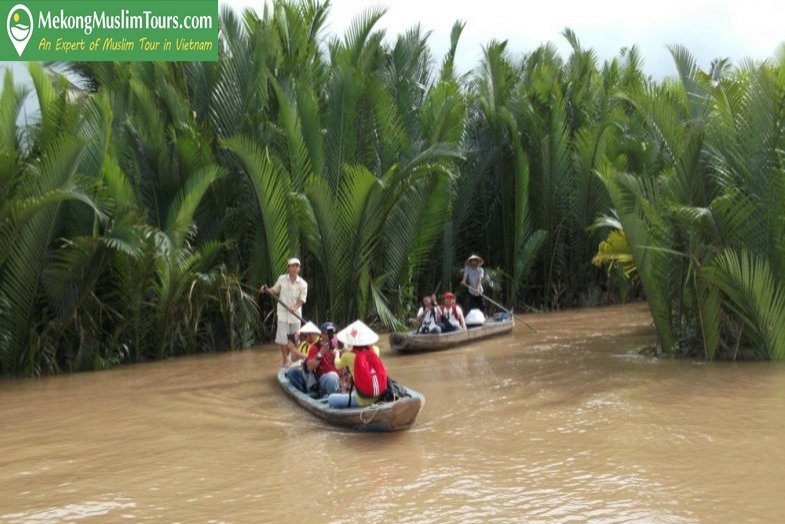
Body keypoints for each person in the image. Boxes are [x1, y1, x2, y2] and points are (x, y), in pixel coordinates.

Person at [260, 257, 308, 368]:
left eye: (296, 266)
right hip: (282, 313)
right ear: (288, 268)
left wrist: (294, 307)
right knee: (283, 339)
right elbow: (274, 290)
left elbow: (302, 300)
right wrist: (266, 290)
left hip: (295, 315)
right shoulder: (282, 279)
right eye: (292, 266)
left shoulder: (303, 283)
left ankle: (294, 358)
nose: (294, 268)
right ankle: (286, 359)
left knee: (295, 339)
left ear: (299, 269)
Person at [328, 320, 386, 408]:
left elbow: (337, 365)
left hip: (362, 400)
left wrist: (337, 354)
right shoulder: (375, 350)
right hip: (379, 395)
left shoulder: (348, 356)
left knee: (331, 399)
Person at [284, 321, 321, 392]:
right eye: (303, 336)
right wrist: (293, 346)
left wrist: (294, 350)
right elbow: (293, 359)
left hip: (314, 372)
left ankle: (310, 390)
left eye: (306, 336)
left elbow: (308, 358)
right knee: (291, 371)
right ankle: (304, 390)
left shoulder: (319, 344)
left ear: (312, 334)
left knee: (296, 370)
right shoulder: (304, 344)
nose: (305, 338)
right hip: (304, 371)